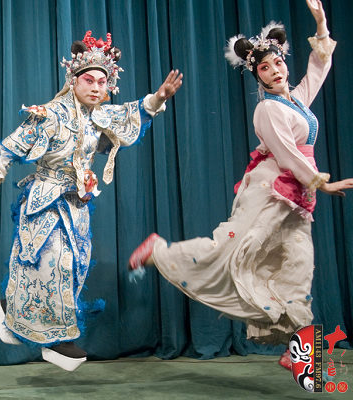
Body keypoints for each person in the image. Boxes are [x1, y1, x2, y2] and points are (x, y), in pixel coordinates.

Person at [128, 0, 353, 370]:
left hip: (298, 197)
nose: (274, 71)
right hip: (270, 192)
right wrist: (322, 183)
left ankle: (299, 354)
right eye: (265, 68)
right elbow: (287, 154)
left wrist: (321, 23)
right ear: (257, 75)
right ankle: (159, 252)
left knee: (299, 268)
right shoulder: (268, 109)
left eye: (278, 63)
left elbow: (319, 66)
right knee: (232, 252)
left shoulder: (296, 102)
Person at [0, 31, 182, 371]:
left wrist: (158, 97)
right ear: (73, 81)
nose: (97, 88)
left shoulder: (98, 116)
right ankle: (59, 340)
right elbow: (9, 149)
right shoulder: (49, 115)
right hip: (46, 201)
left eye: (103, 82)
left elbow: (130, 113)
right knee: (54, 263)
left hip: (77, 204)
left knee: (76, 267)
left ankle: (12, 311)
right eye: (89, 80)